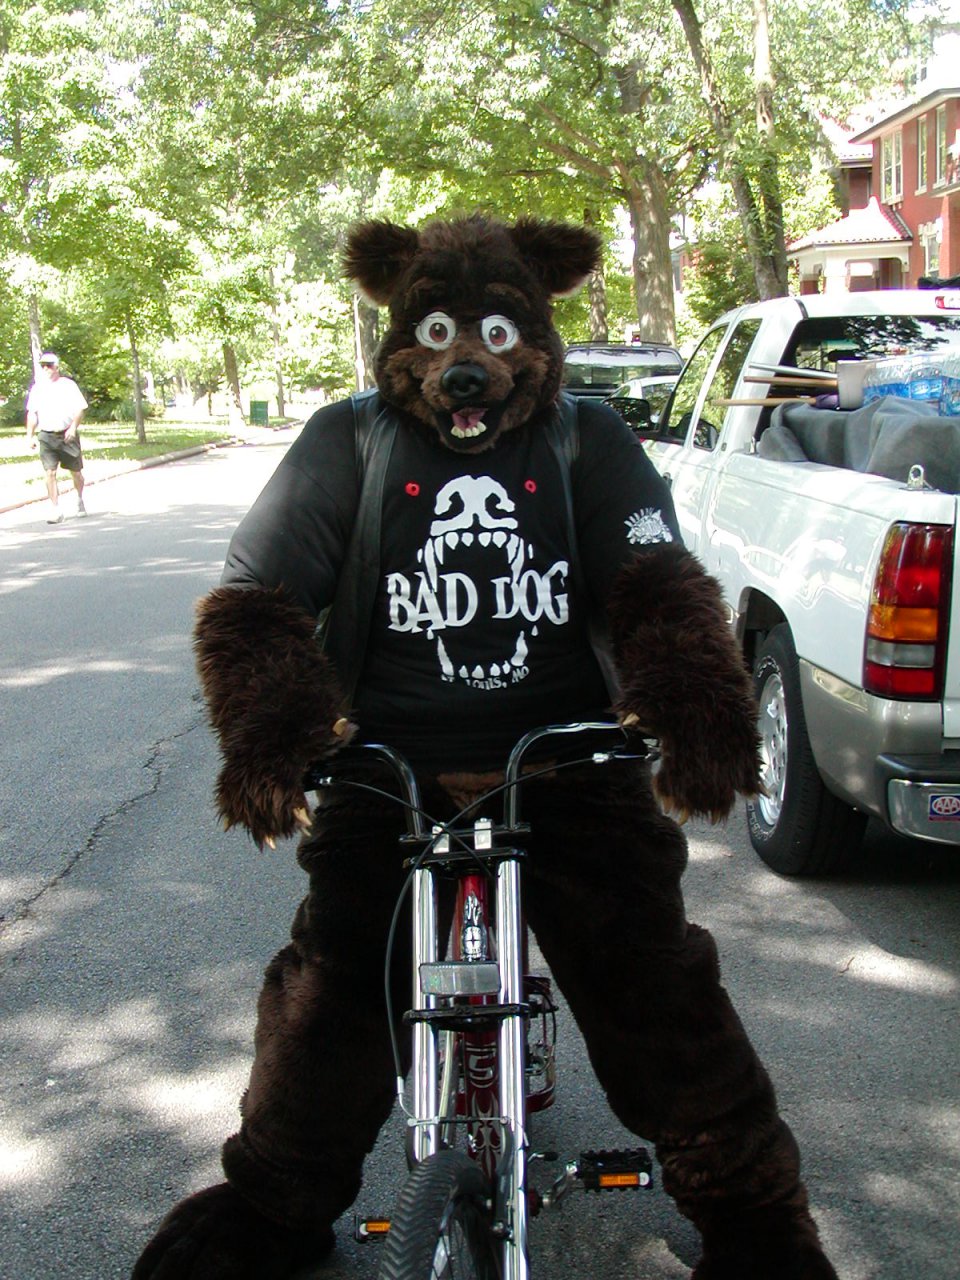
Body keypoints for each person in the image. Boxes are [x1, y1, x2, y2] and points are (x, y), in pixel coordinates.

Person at [25, 352, 88, 524]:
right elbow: (32, 413)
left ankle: (79, 498)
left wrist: (73, 428)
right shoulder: (37, 389)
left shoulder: (68, 385)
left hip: (67, 434)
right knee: (50, 473)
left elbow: (80, 409)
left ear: (57, 367)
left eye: (49, 365)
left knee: (76, 473)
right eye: (43, 366)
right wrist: (29, 436)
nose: (46, 368)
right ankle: (55, 508)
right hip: (46, 435)